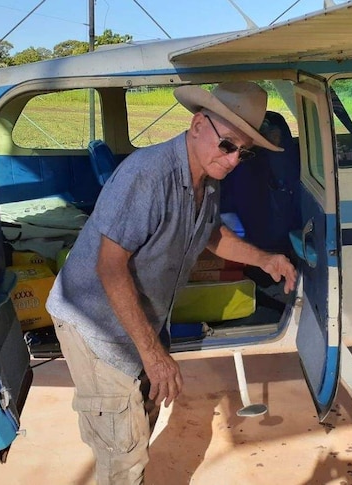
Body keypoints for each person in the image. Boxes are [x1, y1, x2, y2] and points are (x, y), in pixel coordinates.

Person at [46, 81, 298, 485]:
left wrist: (264, 258)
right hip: (94, 322)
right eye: (228, 145)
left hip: (138, 314)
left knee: (137, 424)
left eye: (243, 152)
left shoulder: (207, 178)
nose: (234, 160)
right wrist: (153, 353)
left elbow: (210, 233)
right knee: (121, 453)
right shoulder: (147, 176)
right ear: (198, 124)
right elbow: (109, 268)